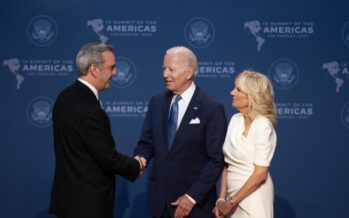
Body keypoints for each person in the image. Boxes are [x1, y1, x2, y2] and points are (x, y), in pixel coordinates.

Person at [49, 43, 142, 218]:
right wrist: (136, 166)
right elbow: (108, 158)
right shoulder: (90, 109)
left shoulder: (64, 96)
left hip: (67, 202)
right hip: (88, 206)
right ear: (94, 69)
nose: (115, 73)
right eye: (111, 67)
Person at [134, 46, 227, 218]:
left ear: (188, 73)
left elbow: (217, 160)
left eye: (171, 69)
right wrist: (140, 159)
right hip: (160, 204)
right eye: (164, 69)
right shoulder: (156, 102)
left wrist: (192, 197)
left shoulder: (211, 108)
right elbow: (146, 143)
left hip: (194, 208)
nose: (165, 74)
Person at [213, 70, 277, 218]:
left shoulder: (263, 125)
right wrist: (222, 198)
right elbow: (227, 163)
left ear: (252, 95)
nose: (231, 92)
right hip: (232, 198)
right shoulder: (235, 120)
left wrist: (231, 203)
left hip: (254, 198)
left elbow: (261, 174)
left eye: (238, 89)